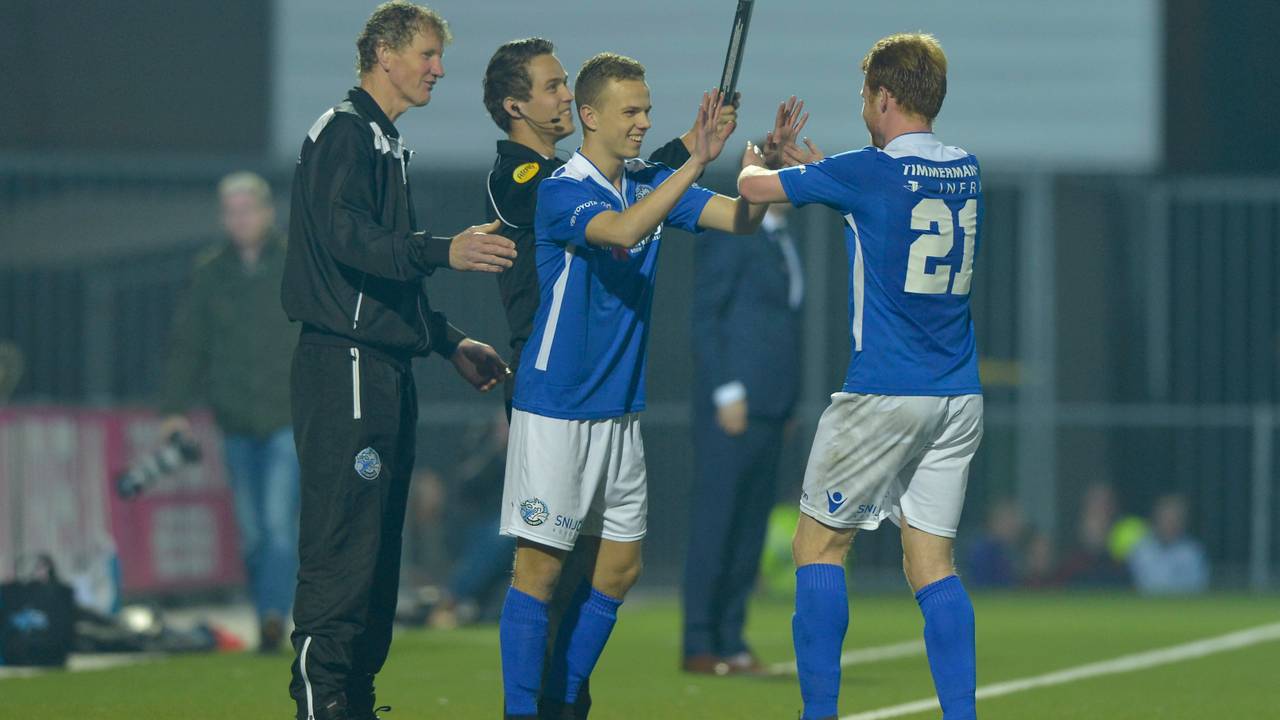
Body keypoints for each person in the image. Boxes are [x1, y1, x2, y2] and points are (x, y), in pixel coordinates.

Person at [496, 53, 792, 719]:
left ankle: (564, 701)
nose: (644, 123)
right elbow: (625, 231)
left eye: (647, 111)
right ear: (590, 116)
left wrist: (763, 173)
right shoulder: (561, 189)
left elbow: (742, 220)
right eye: (631, 112)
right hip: (558, 410)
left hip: (619, 414)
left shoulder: (649, 184)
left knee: (620, 569)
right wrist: (692, 160)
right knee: (539, 573)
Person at [280, 4, 515, 719]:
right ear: (385, 53)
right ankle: (321, 701)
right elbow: (347, 239)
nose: (438, 68)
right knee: (344, 545)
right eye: (428, 54)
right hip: (344, 367)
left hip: (383, 368)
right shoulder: (344, 134)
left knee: (379, 549)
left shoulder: (385, 142)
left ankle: (354, 700)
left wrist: (448, 343)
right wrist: (441, 248)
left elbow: (383, 279)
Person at [739, 33, 985, 720]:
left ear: (883, 96)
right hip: (957, 396)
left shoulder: (870, 172)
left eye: (864, 99)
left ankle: (818, 714)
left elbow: (758, 192)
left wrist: (754, 160)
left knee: (818, 544)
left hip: (887, 389)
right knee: (932, 565)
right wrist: (819, 168)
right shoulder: (964, 167)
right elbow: (879, 206)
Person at [159, 171, 299, 654]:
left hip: (287, 414)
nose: (239, 220)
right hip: (235, 419)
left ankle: (272, 616)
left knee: (279, 526)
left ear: (266, 212)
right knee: (253, 533)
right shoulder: (209, 272)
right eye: (230, 212)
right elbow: (187, 346)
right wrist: (173, 410)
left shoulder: (295, 264)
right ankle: (268, 611)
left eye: (247, 210)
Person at [682, 201, 804, 675]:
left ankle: (731, 637)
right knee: (717, 525)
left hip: (771, 408)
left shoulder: (781, 238)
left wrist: (786, 401)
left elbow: (780, 329)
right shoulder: (733, 232)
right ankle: (699, 642)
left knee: (750, 527)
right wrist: (726, 390)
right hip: (733, 407)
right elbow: (706, 315)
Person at [1128, 493, 1210, 595]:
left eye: (1175, 518)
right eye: (1166, 517)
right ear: (1156, 517)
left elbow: (1199, 587)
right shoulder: (1140, 550)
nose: (1170, 522)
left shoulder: (1192, 553)